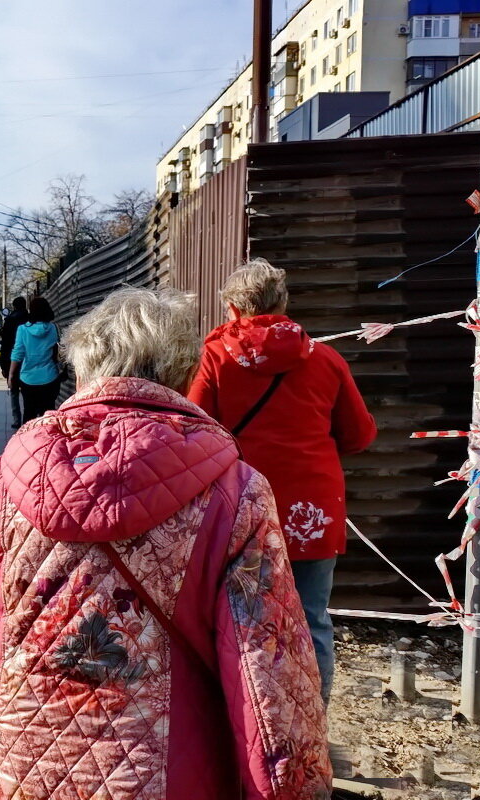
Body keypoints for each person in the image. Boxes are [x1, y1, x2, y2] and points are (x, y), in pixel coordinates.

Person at [0, 286, 332, 800]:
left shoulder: (4, 481)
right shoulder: (237, 493)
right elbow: (269, 679)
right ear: (183, 375)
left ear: (83, 371)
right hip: (171, 777)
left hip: (23, 769)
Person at [188, 258, 376, 701]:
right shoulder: (325, 359)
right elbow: (359, 435)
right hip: (312, 510)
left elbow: (194, 432)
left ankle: (248, 720)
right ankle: (311, 720)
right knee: (312, 618)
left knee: (237, 618)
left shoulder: (214, 359)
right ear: (284, 304)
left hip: (239, 506)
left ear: (233, 309)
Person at [8, 295, 61, 423]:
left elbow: (18, 353)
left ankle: (29, 434)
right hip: (50, 376)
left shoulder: (23, 329)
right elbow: (60, 350)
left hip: (28, 378)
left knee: (29, 413)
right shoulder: (54, 328)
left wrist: (11, 375)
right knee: (48, 416)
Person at [0, 296, 28, 428]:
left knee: (14, 391)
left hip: (12, 360)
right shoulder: (31, 319)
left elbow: (5, 345)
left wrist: (3, 366)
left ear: (14, 306)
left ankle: (17, 419)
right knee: (27, 392)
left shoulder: (9, 320)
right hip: (28, 360)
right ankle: (28, 418)